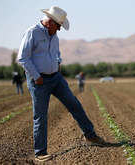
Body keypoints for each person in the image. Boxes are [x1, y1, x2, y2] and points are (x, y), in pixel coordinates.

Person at [17, 6, 105, 162]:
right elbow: (23, 58)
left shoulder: (54, 36)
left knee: (74, 104)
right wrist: (37, 76)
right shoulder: (33, 33)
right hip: (39, 81)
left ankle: (90, 136)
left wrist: (57, 63)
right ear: (50, 22)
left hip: (56, 78)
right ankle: (40, 153)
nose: (59, 30)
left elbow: (57, 54)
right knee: (41, 116)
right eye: (58, 26)